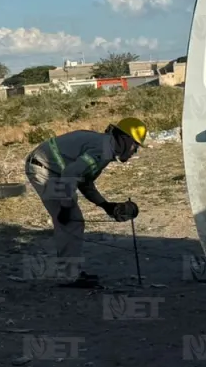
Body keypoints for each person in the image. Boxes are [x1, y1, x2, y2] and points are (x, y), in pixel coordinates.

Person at [24, 117, 146, 288]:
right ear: (125, 139)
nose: (134, 152)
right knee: (71, 222)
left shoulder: (105, 147)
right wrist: (65, 208)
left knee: (72, 221)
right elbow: (70, 174)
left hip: (49, 169)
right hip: (45, 170)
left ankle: (70, 273)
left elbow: (84, 182)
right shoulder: (101, 150)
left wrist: (105, 206)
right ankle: (68, 277)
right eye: (135, 145)